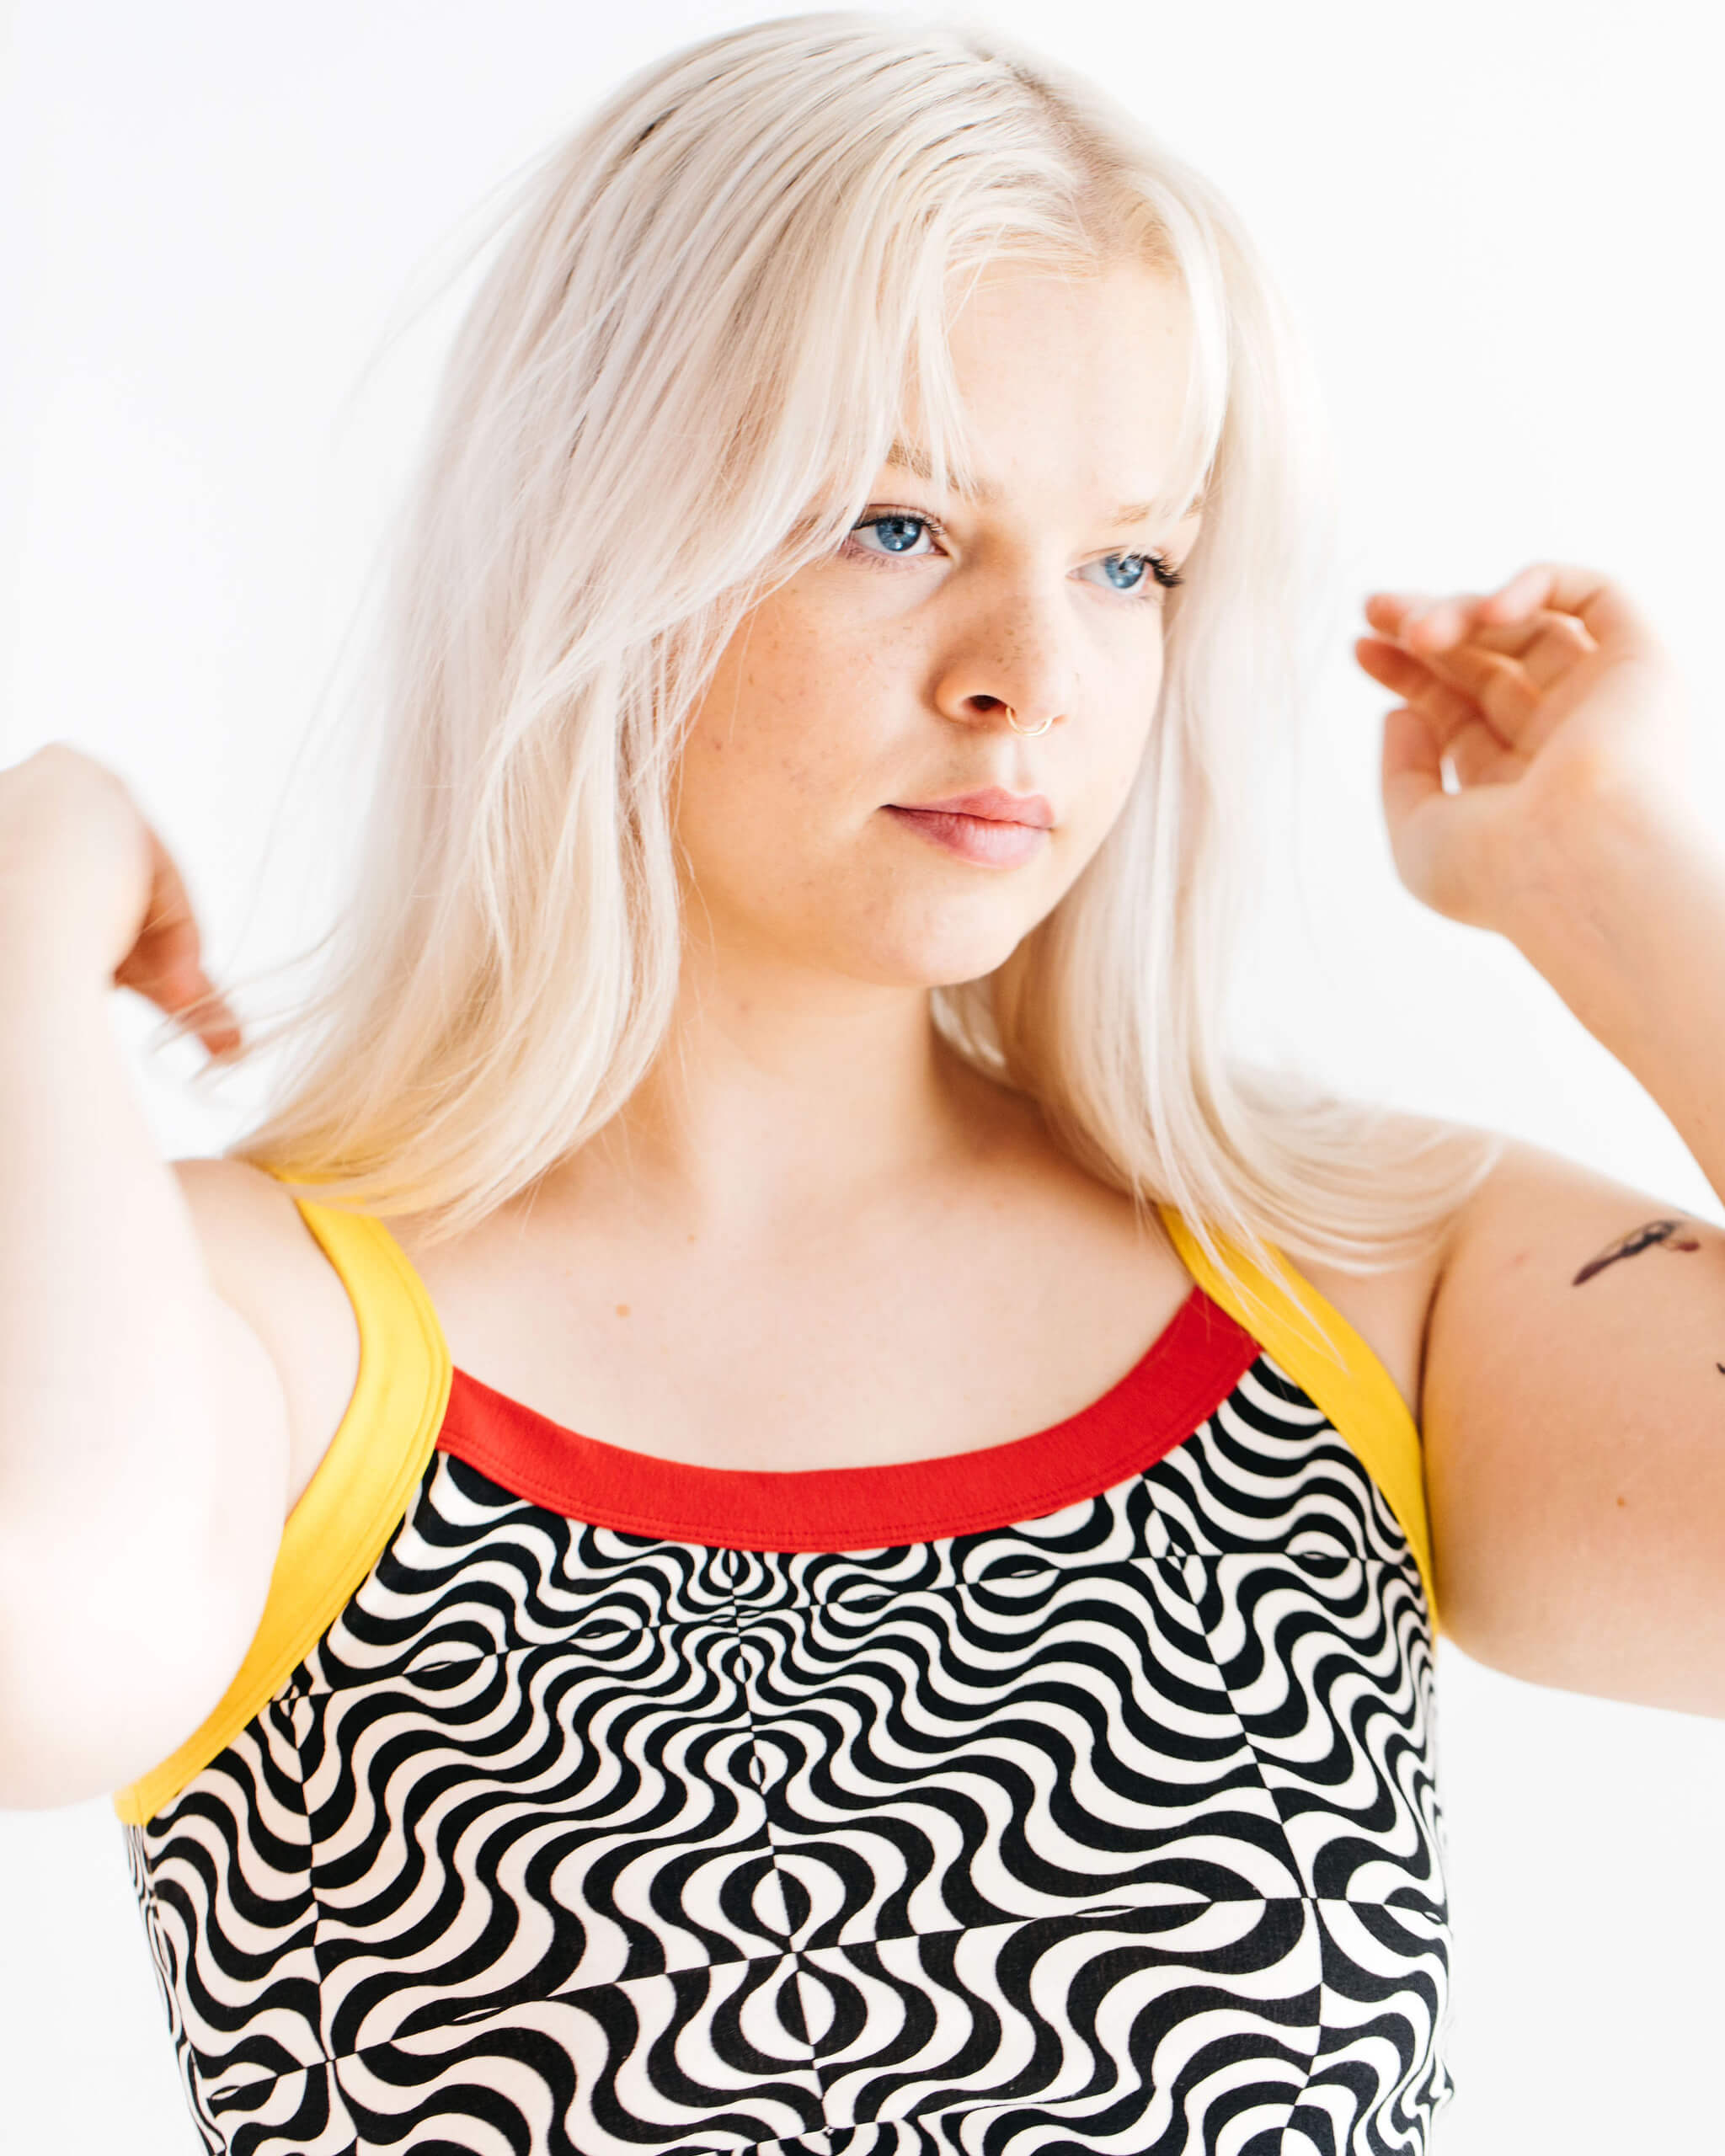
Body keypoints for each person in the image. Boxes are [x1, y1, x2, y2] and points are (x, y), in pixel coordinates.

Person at [3, 10, 1722, 2151]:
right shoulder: (263, 1325)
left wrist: (1629, 891)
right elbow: (27, 1648)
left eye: (1130, 561)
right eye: (897, 524)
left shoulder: (1363, 1277)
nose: (1037, 673)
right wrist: (21, 913)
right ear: (593, 534)